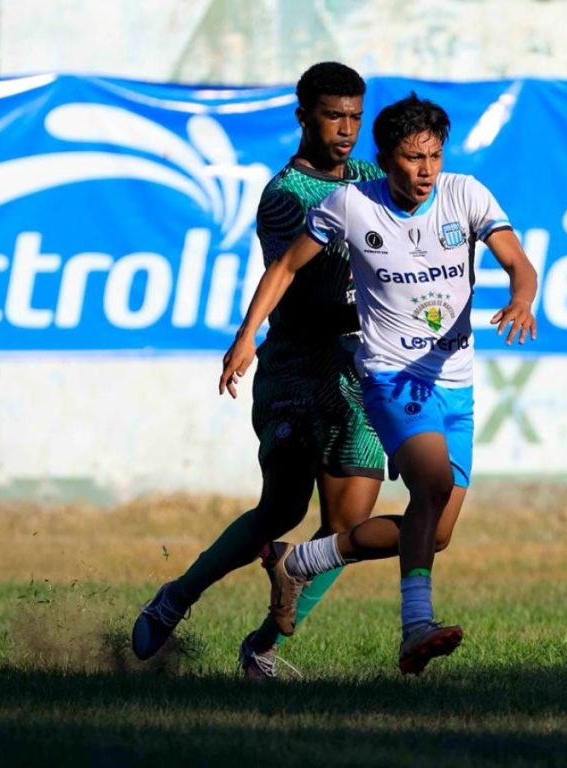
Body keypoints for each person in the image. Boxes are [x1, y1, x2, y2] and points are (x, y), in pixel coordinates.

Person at [220, 93, 537, 675]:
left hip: (455, 386)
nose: (425, 171)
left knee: (435, 532)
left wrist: (521, 296)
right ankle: (416, 624)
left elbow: (518, 261)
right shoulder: (351, 204)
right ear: (386, 158)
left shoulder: (465, 194)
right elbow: (286, 267)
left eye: (434, 157)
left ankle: (303, 561)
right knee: (432, 484)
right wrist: (247, 337)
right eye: (413, 158)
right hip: (391, 378)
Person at [132, 62, 390, 679]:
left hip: (357, 376)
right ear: (303, 116)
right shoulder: (284, 196)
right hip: (299, 366)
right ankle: (177, 597)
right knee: (280, 508)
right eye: (334, 116)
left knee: (346, 530)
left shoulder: (370, 175)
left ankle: (264, 645)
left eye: (355, 116)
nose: (347, 129)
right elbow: (295, 289)